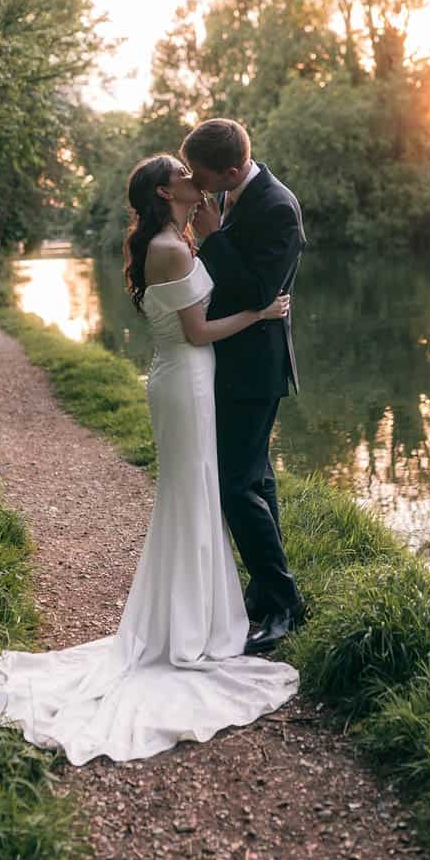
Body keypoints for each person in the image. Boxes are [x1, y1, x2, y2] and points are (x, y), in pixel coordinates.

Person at [0, 153, 299, 765]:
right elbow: (198, 331)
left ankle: (200, 615)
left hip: (193, 379)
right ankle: (184, 627)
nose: (189, 175)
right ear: (161, 190)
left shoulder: (179, 235)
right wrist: (260, 312)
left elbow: (209, 279)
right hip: (185, 377)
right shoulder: (170, 249)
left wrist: (203, 219)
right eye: (180, 172)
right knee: (188, 495)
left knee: (200, 490)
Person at [181, 118, 306, 654]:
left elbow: (260, 291)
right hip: (231, 359)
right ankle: (264, 592)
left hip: (257, 366)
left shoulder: (277, 207)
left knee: (235, 485)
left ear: (231, 170)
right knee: (258, 481)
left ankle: (285, 603)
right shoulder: (234, 193)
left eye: (203, 175)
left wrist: (214, 236)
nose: (197, 184)